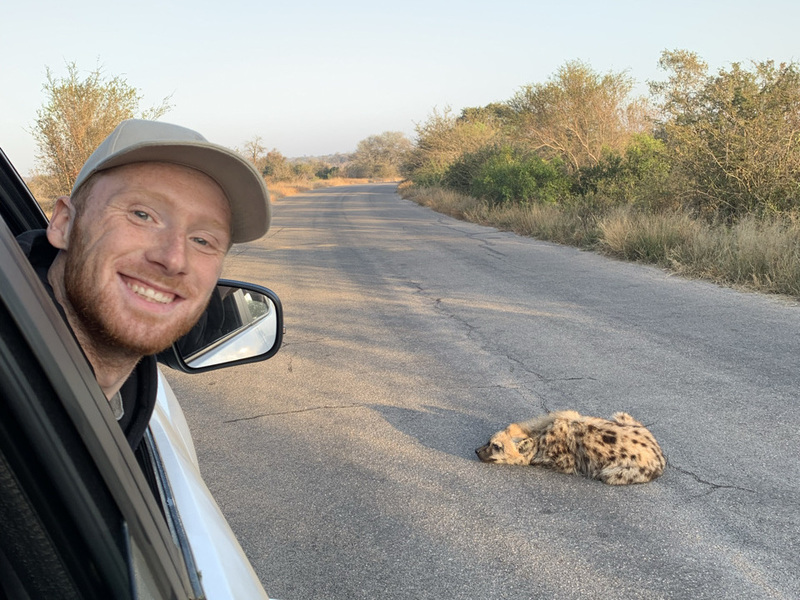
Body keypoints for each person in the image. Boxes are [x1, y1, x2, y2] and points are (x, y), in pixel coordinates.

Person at [16, 119, 271, 450]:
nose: (174, 259)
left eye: (203, 240)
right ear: (64, 223)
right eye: (142, 215)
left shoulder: (129, 396)